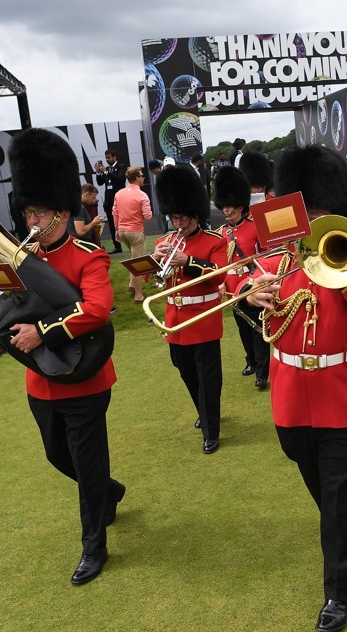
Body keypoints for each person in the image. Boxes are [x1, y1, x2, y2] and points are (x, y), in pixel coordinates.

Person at [244, 144, 347, 632]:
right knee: (318, 482)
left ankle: (337, 592)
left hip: (343, 395)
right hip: (291, 395)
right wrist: (252, 294)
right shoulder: (280, 262)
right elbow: (253, 297)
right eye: (311, 214)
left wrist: (342, 273)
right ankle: (341, 527)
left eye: (326, 214)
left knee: (337, 492)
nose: (318, 224)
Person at [6, 128, 124, 586]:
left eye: (39, 211)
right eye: (28, 210)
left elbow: (96, 309)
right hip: (41, 381)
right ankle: (108, 491)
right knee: (58, 455)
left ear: (61, 211)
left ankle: (93, 548)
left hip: (86, 380)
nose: (32, 218)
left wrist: (43, 331)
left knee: (87, 462)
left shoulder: (89, 257)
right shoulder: (21, 259)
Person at [152, 165, 228, 454]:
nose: (177, 222)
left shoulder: (214, 242)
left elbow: (220, 275)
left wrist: (189, 262)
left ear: (195, 216)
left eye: (181, 217)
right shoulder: (164, 242)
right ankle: (205, 412)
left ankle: (211, 431)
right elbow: (153, 277)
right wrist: (154, 260)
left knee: (208, 380)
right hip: (176, 321)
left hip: (203, 320)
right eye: (173, 217)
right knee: (187, 374)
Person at [215, 165, 267, 389]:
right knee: (242, 327)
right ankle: (252, 361)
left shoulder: (255, 228)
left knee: (257, 327)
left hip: (251, 281)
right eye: (224, 206)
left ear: (239, 206)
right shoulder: (220, 232)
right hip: (230, 284)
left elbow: (265, 256)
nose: (226, 210)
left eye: (230, 206)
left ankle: (263, 373)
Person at [112, 167, 153, 302]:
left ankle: (131, 285)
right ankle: (139, 295)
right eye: (142, 176)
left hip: (123, 232)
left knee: (134, 259)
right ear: (136, 178)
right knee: (138, 264)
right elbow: (148, 216)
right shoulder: (142, 195)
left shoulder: (119, 193)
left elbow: (115, 213)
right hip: (135, 232)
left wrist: (117, 230)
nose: (143, 178)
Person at [94, 149, 127, 254]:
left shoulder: (121, 166)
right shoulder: (106, 169)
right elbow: (100, 183)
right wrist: (99, 173)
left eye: (109, 157)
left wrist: (106, 172)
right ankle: (117, 246)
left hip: (119, 201)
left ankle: (131, 243)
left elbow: (120, 179)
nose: (107, 160)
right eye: (106, 158)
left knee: (123, 223)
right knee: (112, 225)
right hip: (109, 202)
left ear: (114, 157)